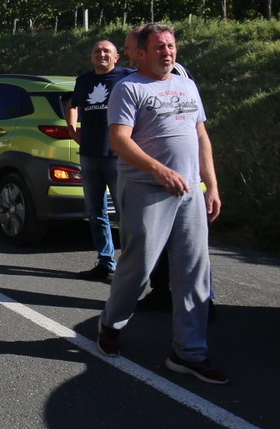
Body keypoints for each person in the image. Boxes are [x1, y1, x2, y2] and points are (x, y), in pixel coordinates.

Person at [96, 23, 226, 384]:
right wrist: (160, 170)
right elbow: (119, 140)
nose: (167, 52)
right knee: (138, 268)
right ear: (140, 54)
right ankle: (111, 324)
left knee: (194, 270)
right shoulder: (129, 88)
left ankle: (188, 352)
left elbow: (201, 137)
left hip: (189, 192)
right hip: (146, 190)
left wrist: (211, 185)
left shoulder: (187, 85)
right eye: (159, 47)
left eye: (171, 45)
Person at [65, 38, 130, 282]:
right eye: (97, 51)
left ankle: (130, 267)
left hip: (117, 156)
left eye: (106, 51)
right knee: (95, 212)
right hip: (89, 155)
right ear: (92, 56)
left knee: (125, 215)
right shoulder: (84, 80)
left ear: (116, 57)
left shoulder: (127, 77)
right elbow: (72, 104)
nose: (101, 54)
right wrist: (72, 129)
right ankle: (106, 262)